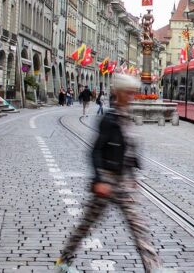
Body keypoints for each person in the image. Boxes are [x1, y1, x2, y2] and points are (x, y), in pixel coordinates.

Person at [56, 74, 163, 273]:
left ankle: (154, 268)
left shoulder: (127, 115)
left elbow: (128, 149)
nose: (132, 96)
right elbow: (95, 150)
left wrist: (132, 174)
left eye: (133, 92)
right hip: (106, 181)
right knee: (86, 225)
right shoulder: (109, 119)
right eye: (128, 92)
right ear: (119, 93)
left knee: (139, 227)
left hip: (122, 183)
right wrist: (98, 179)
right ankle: (63, 263)